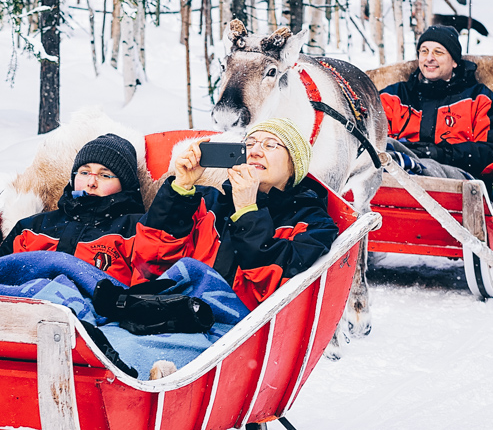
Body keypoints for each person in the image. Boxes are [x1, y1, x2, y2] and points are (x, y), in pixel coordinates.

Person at [130, 118, 340, 310]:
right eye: (249, 144)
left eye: (270, 144)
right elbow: (150, 261)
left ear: (294, 165)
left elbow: (275, 290)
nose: (254, 152)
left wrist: (247, 211)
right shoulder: (208, 202)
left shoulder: (313, 224)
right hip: (167, 311)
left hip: (231, 333)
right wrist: (181, 188)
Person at [0, 134, 146, 280]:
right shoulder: (30, 228)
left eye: (105, 175)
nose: (91, 182)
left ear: (125, 186)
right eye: (84, 172)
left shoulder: (138, 231)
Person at [380, 24, 493, 184]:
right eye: (424, 51)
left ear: (455, 62)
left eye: (438, 52)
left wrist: (442, 154)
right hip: (391, 178)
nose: (429, 58)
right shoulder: (393, 96)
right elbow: (370, 142)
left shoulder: (479, 99)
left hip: (457, 182)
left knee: (423, 168)